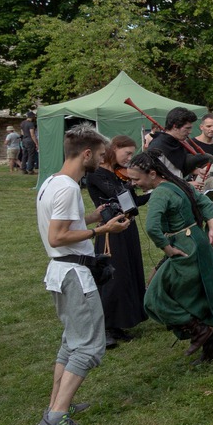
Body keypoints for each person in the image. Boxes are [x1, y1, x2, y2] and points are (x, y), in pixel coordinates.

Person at [34, 125, 131, 425]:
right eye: (101, 155)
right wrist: (101, 232)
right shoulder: (67, 188)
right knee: (89, 346)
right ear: (87, 153)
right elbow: (58, 235)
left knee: (70, 343)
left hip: (62, 272)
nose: (103, 159)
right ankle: (56, 417)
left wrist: (94, 216)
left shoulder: (52, 182)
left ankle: (57, 405)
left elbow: (62, 224)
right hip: (74, 274)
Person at [128, 151, 213, 362]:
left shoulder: (160, 193)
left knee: (153, 298)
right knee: (197, 296)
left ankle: (199, 329)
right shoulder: (177, 183)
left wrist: (167, 248)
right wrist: (212, 228)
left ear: (151, 173)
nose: (133, 184)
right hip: (197, 240)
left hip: (184, 247)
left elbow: (152, 228)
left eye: (136, 179)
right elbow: (204, 202)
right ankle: (212, 348)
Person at [85, 135, 150, 348]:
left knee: (128, 274)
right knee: (113, 278)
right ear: (114, 149)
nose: (130, 158)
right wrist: (132, 181)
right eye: (127, 153)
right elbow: (117, 193)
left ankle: (119, 323)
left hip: (126, 227)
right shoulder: (96, 175)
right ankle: (105, 327)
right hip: (109, 231)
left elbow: (132, 202)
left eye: (133, 154)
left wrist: (156, 189)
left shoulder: (118, 175)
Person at [147, 107, 212, 179]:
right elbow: (153, 178)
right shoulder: (157, 146)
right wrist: (188, 185)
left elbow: (177, 169)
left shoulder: (177, 144)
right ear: (175, 126)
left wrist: (194, 171)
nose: (190, 132)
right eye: (187, 128)